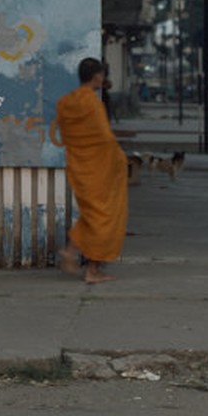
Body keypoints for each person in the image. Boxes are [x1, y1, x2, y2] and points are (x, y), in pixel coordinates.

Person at [51, 57, 129, 283]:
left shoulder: (67, 102)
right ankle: (92, 270)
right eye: (102, 74)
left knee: (92, 214)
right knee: (103, 215)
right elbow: (104, 138)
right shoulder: (92, 103)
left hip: (79, 166)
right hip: (100, 168)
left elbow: (66, 135)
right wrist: (119, 159)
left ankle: (70, 250)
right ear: (96, 76)